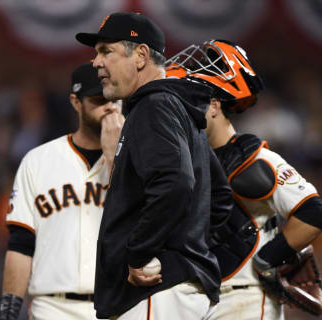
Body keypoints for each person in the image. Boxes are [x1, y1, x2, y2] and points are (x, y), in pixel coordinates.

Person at [75, 12, 233, 320]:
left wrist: (142, 254)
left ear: (141, 56)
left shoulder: (154, 105)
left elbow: (174, 182)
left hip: (156, 293)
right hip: (175, 293)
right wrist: (187, 248)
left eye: (106, 51)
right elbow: (220, 196)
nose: (96, 62)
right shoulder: (178, 108)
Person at [166, 40, 322, 319]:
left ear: (214, 105)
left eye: (186, 105)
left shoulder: (253, 159)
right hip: (197, 299)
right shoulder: (186, 162)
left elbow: (313, 214)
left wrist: (268, 258)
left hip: (246, 297)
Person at [0, 62, 124, 320]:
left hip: (118, 308)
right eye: (99, 100)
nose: (110, 108)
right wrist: (8, 315)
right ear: (76, 102)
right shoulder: (38, 161)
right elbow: (21, 246)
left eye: (115, 99)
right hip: (53, 308)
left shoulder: (141, 161)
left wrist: (117, 158)